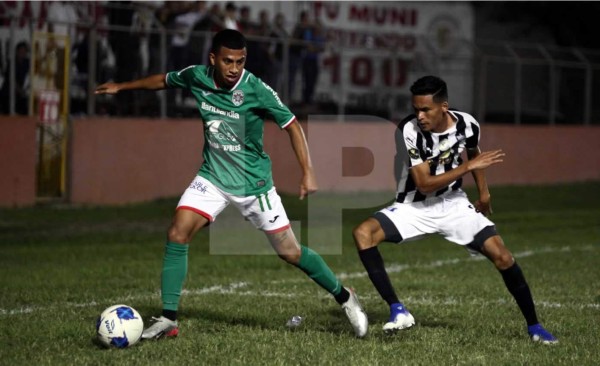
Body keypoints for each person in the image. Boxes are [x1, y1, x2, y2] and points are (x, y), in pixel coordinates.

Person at [94, 29, 368, 339]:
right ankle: (169, 320)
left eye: (240, 61)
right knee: (177, 231)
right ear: (213, 59)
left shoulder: (256, 90)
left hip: (255, 186)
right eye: (228, 61)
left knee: (290, 253)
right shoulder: (197, 76)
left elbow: (292, 125)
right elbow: (164, 80)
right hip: (213, 177)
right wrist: (122, 86)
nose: (234, 68)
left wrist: (308, 171)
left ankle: (345, 296)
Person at [352, 75, 557, 344]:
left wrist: (483, 192)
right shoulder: (409, 130)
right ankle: (398, 309)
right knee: (363, 233)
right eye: (416, 109)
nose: (420, 115)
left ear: (444, 107)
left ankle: (535, 327)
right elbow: (424, 184)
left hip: (454, 204)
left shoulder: (468, 124)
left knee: (503, 256)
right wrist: (466, 169)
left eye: (426, 109)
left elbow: (474, 155)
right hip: (414, 206)